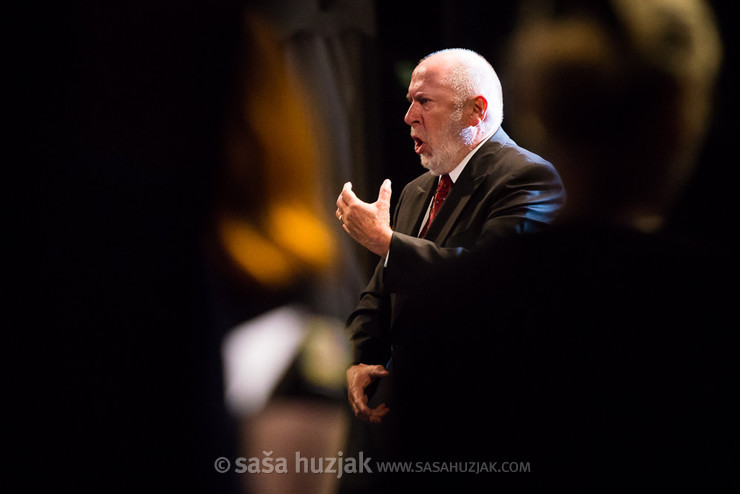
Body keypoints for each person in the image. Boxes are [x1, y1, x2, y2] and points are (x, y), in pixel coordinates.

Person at [386, 0, 736, 490]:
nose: (409, 117)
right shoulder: (718, 314)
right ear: (679, 117)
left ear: (537, 110)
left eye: (423, 102)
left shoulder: (448, 316)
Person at [334, 48, 565, 490]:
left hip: (482, 425)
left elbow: (490, 280)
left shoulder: (529, 177)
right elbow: (380, 292)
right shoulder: (417, 190)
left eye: (424, 101)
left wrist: (385, 241)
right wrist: (360, 357)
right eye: (408, 100)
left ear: (476, 110)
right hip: (403, 421)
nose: (408, 116)